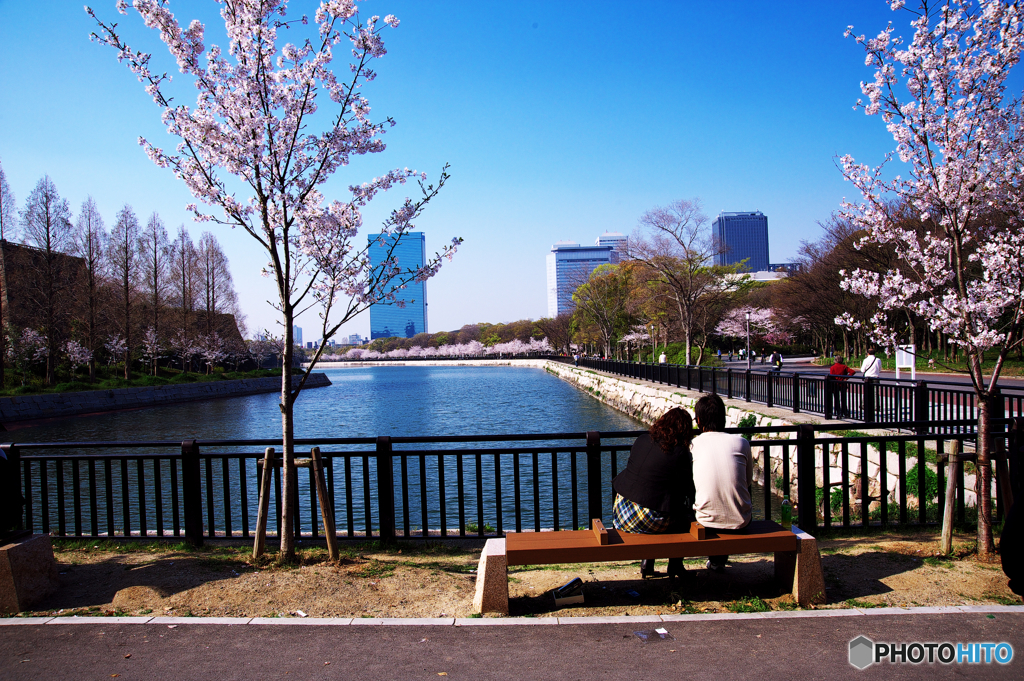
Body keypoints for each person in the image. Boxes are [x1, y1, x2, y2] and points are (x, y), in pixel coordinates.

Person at [612, 407, 696, 580]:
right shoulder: (680, 453)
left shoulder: (642, 440)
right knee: (682, 518)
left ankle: (647, 563)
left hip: (621, 512)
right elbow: (687, 489)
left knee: (652, 498)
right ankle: (675, 566)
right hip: (646, 520)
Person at [690, 394, 752, 573]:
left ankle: (716, 561)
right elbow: (747, 482)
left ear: (699, 420)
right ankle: (718, 561)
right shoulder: (742, 443)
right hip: (741, 522)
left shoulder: (693, 445)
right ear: (723, 418)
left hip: (705, 522)